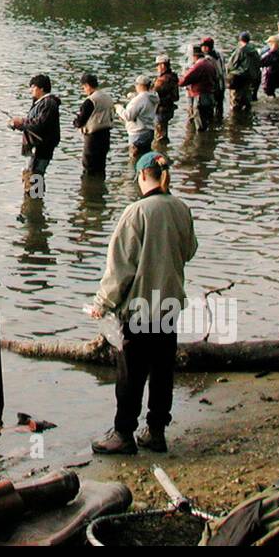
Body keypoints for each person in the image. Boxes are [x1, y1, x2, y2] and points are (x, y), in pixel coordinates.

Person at [89, 151, 197, 455]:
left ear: (142, 175)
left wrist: (102, 303)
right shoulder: (181, 208)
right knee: (163, 372)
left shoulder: (136, 212)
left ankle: (124, 433)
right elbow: (189, 250)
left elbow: (120, 268)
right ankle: (156, 431)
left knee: (131, 374)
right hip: (169, 305)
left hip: (140, 308)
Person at [9, 74, 61, 196]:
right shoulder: (40, 103)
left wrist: (21, 122)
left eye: (33, 87)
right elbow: (33, 124)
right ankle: (34, 202)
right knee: (33, 174)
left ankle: (35, 200)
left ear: (41, 88)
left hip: (42, 146)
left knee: (36, 175)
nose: (31, 90)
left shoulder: (48, 103)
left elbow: (39, 124)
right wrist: (18, 124)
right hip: (37, 146)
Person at [72, 74, 114, 176]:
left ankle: (89, 185)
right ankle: (99, 183)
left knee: (89, 166)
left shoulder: (90, 100)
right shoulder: (108, 98)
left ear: (87, 85)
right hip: (106, 135)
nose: (84, 90)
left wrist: (75, 121)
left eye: (83, 87)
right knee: (101, 166)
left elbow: (80, 122)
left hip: (93, 138)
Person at [116, 75, 158, 159]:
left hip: (138, 134)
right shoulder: (153, 97)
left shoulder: (139, 99)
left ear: (140, 85)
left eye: (136, 84)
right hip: (149, 132)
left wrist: (118, 108)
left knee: (135, 160)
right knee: (145, 158)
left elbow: (128, 116)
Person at [178, 43, 217, 131]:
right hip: (210, 96)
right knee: (207, 123)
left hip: (200, 98)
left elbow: (183, 80)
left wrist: (177, 80)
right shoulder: (209, 63)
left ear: (194, 56)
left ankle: (201, 139)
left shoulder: (198, 66)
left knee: (200, 126)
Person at [226, 32, 260, 112]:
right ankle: (247, 113)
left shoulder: (240, 50)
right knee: (247, 96)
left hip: (239, 77)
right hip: (250, 77)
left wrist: (228, 74)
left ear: (240, 40)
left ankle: (236, 115)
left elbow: (231, 64)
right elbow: (258, 63)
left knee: (236, 98)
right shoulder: (254, 51)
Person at [152, 55, 179, 143]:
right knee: (163, 132)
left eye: (158, 65)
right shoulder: (172, 76)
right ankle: (164, 148)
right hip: (168, 108)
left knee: (159, 136)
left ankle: (161, 149)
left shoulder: (162, 80)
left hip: (161, 110)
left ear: (163, 65)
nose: (157, 68)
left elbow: (152, 94)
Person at [200, 37, 226, 121]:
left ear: (206, 47)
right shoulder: (220, 54)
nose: (202, 48)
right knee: (220, 106)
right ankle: (219, 121)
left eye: (203, 46)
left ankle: (212, 124)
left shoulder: (207, 59)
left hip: (214, 86)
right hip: (222, 84)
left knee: (211, 107)